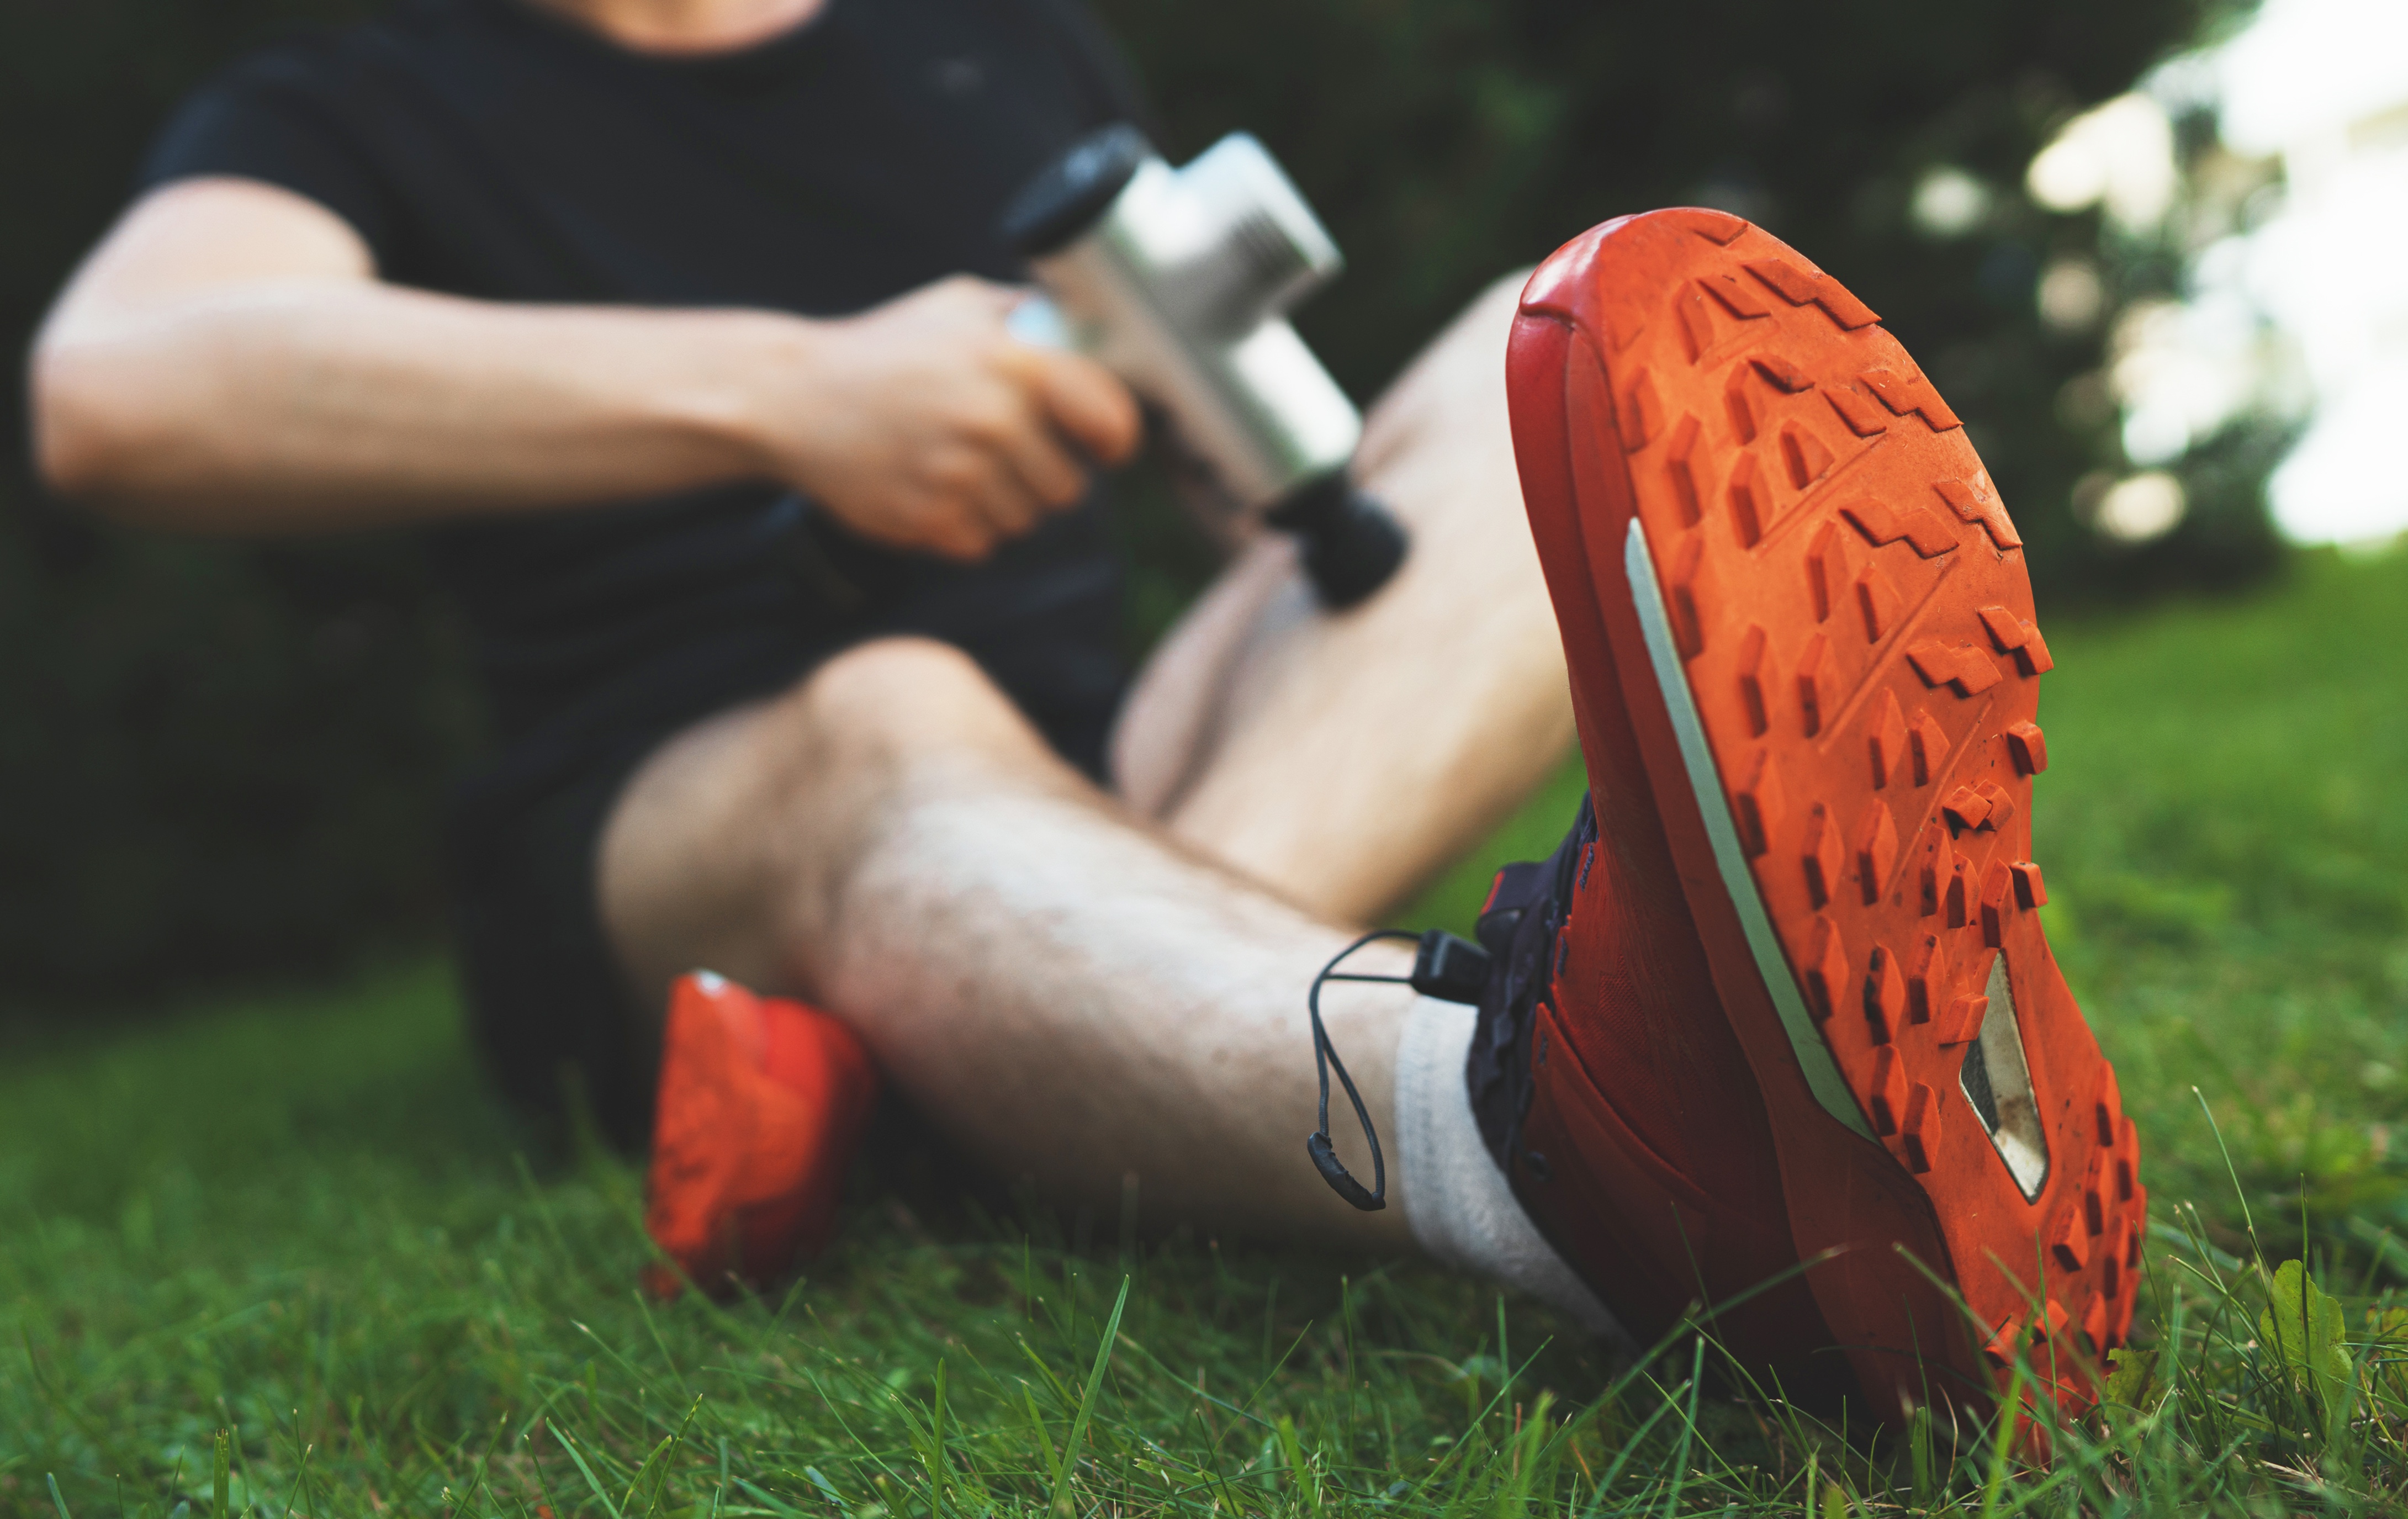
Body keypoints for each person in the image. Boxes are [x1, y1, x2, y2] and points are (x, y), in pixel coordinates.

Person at [30, 0, 2137, 1427]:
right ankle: (1544, 1136)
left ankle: (969, 1070)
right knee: (893, 708)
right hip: (681, 811)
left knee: (1564, 389)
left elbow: (1238, 449)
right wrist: (793, 390)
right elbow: (119, 386)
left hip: (1120, 775)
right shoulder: (354, 98)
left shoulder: (992, 42)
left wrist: (1260, 474)